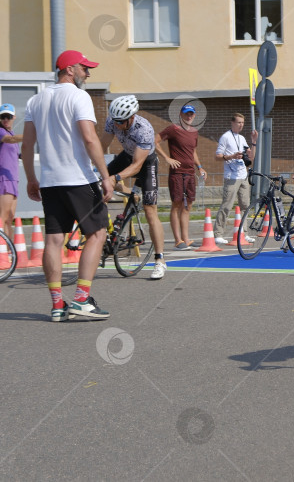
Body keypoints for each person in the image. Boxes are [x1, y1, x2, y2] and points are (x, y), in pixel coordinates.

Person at [22, 49, 113, 322]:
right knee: (97, 233)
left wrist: (31, 178)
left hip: (50, 181)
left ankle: (57, 305)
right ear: (69, 69)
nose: (88, 73)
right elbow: (89, 138)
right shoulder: (78, 96)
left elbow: (27, 145)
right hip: (78, 178)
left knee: (53, 240)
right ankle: (82, 299)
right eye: (85, 68)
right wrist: (105, 175)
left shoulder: (35, 100)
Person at [100, 95, 167, 279]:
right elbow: (101, 146)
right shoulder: (113, 121)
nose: (117, 124)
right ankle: (129, 195)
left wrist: (115, 178)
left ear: (131, 117)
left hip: (146, 163)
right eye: (115, 121)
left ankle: (160, 260)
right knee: (100, 182)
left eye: (121, 122)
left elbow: (137, 166)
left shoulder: (144, 129)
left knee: (150, 209)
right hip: (127, 155)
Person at [155, 103, 207, 249]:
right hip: (177, 173)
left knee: (188, 204)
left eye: (191, 114)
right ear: (181, 114)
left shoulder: (194, 132)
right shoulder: (173, 129)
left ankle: (186, 239)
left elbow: (193, 151)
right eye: (186, 113)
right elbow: (155, 141)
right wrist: (167, 158)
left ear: (194, 115)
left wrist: (200, 167)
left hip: (190, 172)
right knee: (177, 204)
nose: (189, 116)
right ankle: (178, 240)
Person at [213, 113, 258, 245]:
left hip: (243, 175)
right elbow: (217, 157)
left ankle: (244, 233)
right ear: (232, 123)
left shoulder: (242, 138)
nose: (241, 125)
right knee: (227, 205)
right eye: (238, 122)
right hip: (231, 177)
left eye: (242, 123)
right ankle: (218, 234)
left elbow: (251, 157)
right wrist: (232, 156)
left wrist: (254, 142)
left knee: (245, 205)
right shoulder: (226, 137)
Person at [0, 103, 23, 230]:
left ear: (14, 117)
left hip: (13, 179)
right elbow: (10, 140)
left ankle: (9, 244)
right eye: (2, 117)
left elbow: (17, 155)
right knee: (2, 217)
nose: (5, 119)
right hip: (4, 179)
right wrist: (30, 135)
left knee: (10, 218)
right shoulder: (1, 132)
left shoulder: (11, 133)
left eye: (8, 116)